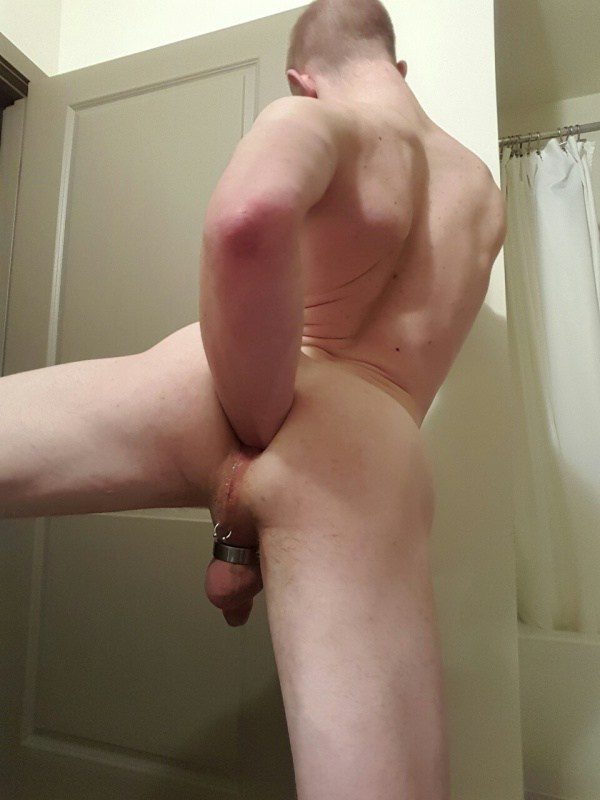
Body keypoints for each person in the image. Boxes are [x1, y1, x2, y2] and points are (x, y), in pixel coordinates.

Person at [0, 0, 507, 797]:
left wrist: (257, 421)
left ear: (303, 80)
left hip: (223, 392)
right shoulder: (482, 192)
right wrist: (246, 516)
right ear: (399, 67)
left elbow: (248, 220)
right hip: (365, 450)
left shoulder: (319, 121)